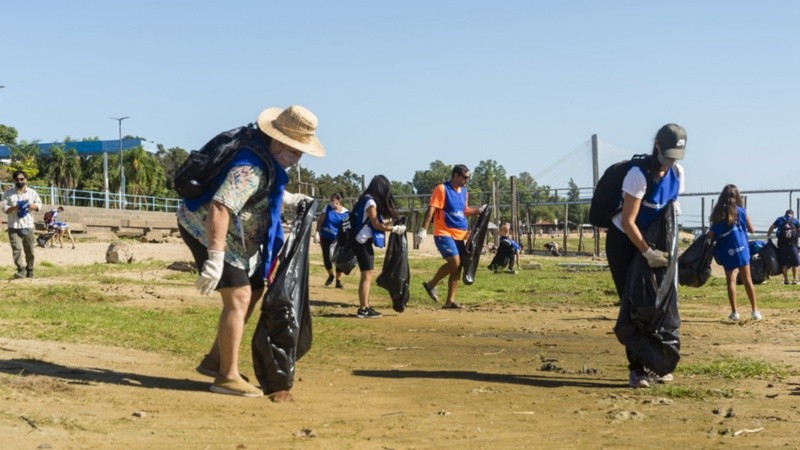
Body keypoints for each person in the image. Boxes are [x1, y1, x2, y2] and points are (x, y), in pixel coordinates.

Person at [177, 105, 323, 399]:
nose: (296, 159)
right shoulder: (250, 168)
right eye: (295, 151)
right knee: (240, 294)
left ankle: (216, 359)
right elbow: (220, 207)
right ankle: (226, 377)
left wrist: (293, 200)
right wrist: (215, 260)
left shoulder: (266, 159)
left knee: (255, 288)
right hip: (206, 229)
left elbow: (261, 198)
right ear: (279, 141)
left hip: (234, 238)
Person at [605, 123, 686, 388]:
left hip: (651, 240)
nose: (670, 161)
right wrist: (647, 253)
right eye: (668, 154)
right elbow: (628, 221)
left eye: (676, 156)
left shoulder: (677, 174)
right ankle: (636, 369)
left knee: (657, 303)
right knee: (634, 305)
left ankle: (656, 362)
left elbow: (668, 212)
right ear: (657, 146)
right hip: (624, 242)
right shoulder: (637, 175)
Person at [415, 164, 486, 309]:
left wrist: (478, 211)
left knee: (457, 268)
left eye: (468, 178)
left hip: (460, 234)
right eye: (465, 177)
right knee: (455, 262)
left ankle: (450, 301)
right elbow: (431, 209)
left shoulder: (464, 192)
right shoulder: (441, 189)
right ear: (455, 176)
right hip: (444, 233)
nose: (467, 180)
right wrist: (423, 229)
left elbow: (463, 210)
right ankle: (431, 284)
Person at [351, 175, 405, 318]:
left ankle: (366, 306)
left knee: (366, 275)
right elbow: (375, 224)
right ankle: (363, 309)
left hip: (359, 241)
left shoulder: (364, 199)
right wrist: (393, 229)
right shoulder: (370, 202)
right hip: (362, 241)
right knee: (366, 276)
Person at [707, 185, 761, 321]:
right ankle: (755, 311)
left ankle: (735, 312)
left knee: (731, 280)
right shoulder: (742, 211)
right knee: (747, 280)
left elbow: (711, 234)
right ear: (737, 197)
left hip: (727, 250)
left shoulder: (719, 215)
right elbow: (752, 230)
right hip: (742, 248)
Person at [3, 170, 42, 279]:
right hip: (13, 227)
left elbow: (39, 205)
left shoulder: (32, 193)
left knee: (30, 250)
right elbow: (4, 208)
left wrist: (30, 206)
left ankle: (30, 270)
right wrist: (15, 207)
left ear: (26, 179)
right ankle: (21, 270)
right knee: (16, 250)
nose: (20, 181)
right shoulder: (8, 193)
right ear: (14, 180)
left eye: (22, 179)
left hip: (28, 226)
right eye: (18, 179)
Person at [314, 192, 349, 289]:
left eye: (335, 201)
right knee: (326, 257)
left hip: (338, 239)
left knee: (338, 259)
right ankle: (331, 275)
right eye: (332, 201)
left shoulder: (346, 213)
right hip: (325, 236)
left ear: (340, 201)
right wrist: (317, 232)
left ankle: (338, 280)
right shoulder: (327, 208)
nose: (333, 203)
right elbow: (320, 221)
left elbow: (347, 228)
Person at [766, 209, 800, 284]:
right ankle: (795, 280)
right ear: (792, 214)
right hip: (792, 245)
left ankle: (786, 280)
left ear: (785, 214)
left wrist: (768, 236)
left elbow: (772, 227)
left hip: (782, 245)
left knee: (783, 263)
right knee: (795, 263)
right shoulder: (795, 220)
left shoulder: (780, 219)